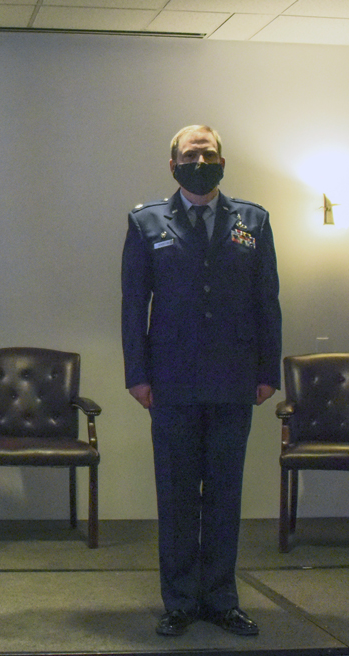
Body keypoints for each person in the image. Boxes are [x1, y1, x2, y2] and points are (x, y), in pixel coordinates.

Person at [121, 125, 281, 638]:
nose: (201, 160)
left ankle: (221, 598)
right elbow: (133, 306)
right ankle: (180, 600)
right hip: (170, 383)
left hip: (235, 380)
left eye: (208, 153)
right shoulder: (146, 222)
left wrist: (267, 370)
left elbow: (267, 302)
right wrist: (137, 374)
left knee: (225, 494)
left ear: (222, 159)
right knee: (176, 494)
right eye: (191, 154)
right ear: (173, 166)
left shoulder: (253, 220)